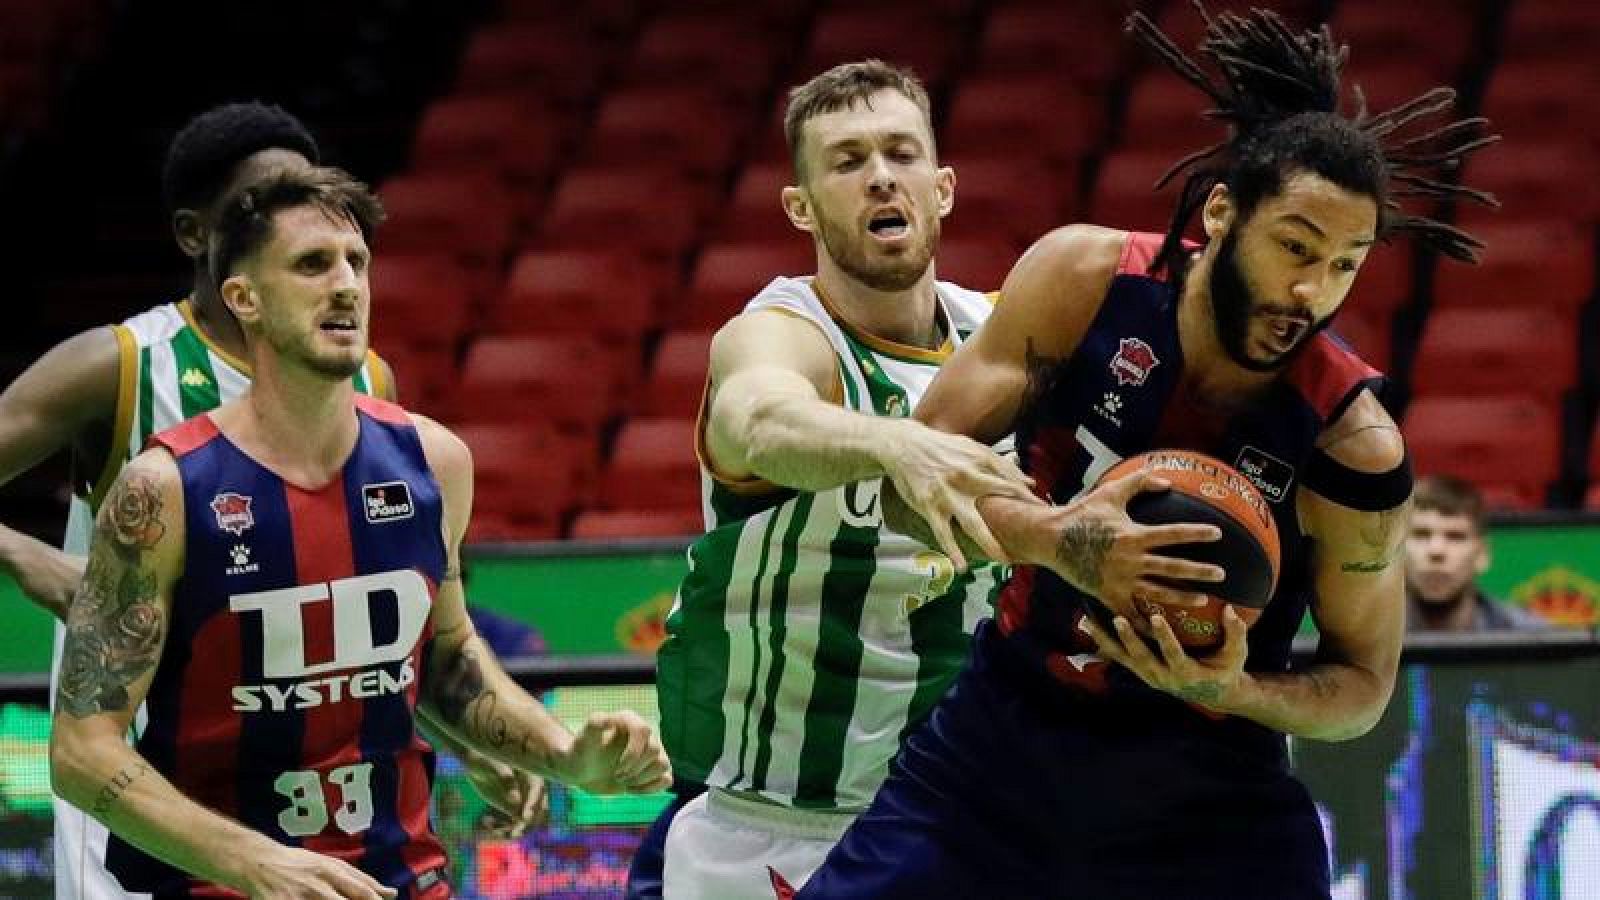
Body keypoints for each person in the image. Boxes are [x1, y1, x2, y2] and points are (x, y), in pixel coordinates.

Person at [798, 8, 1498, 898]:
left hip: (1210, 793)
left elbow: (1362, 686)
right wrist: (1060, 542)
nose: (1311, 290)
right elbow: (911, 482)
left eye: (1345, 264)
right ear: (1220, 212)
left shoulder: (1352, 447)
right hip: (1003, 743)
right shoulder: (1083, 284)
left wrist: (1239, 689)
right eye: (1294, 247)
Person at [48, 165, 671, 898]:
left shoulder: (435, 462)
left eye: (357, 262)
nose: (346, 284)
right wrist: (255, 862)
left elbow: (447, 663)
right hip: (219, 887)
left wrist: (566, 758)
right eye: (313, 264)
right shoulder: (165, 491)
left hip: (402, 878)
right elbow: (80, 749)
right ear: (242, 297)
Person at [0, 102, 539, 900]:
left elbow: (345, 624)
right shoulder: (117, 366)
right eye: (266, 200)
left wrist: (456, 727)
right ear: (200, 237)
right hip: (151, 817)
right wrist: (21, 553)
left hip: (322, 838)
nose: (297, 219)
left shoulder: (362, 379)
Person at [628, 60, 1034, 899]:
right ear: (801, 207)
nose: (881, 176)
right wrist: (898, 447)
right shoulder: (781, 333)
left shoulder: (999, 335)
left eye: (901, 153)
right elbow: (758, 419)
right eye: (847, 161)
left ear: (944, 186)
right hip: (778, 823)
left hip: (958, 814)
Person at [1406, 474, 1545, 631]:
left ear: (1482, 554)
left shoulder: (1531, 636)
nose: (1436, 551)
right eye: (1421, 534)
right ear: (1394, 551)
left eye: (1455, 536)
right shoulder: (1371, 635)